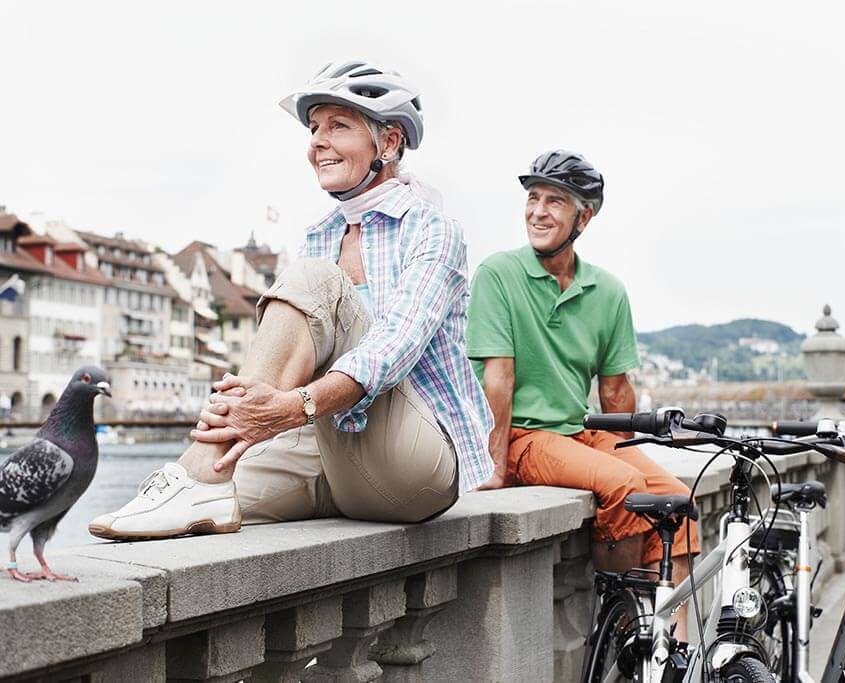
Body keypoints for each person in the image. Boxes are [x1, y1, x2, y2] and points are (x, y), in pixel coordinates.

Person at [89, 59, 493, 540]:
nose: (317, 141)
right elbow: (282, 359)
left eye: (338, 125)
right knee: (211, 506)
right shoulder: (320, 236)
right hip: (333, 448)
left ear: (388, 142)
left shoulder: (433, 230)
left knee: (316, 279)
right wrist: (245, 410)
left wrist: (296, 406)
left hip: (415, 464)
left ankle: (198, 469)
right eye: (314, 128)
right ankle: (195, 477)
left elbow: (395, 345)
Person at [466, 150, 699, 638]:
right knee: (626, 489)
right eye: (532, 198)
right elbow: (499, 378)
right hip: (525, 436)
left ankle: (671, 644)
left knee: (679, 499)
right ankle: (620, 621)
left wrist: (633, 452)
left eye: (555, 201)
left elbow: (616, 394)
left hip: (578, 433)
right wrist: (495, 466)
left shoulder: (607, 291)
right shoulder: (499, 274)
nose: (538, 211)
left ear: (583, 217)